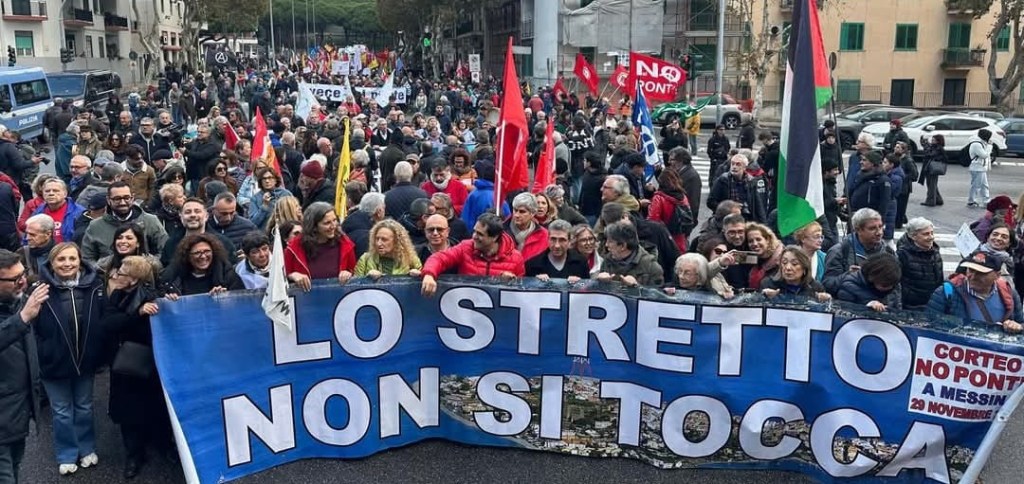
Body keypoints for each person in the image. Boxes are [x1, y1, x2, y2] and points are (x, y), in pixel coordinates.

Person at [31, 242, 105, 475]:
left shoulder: (95, 285)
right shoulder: (39, 289)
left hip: (85, 360)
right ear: (52, 263)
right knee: (61, 411)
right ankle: (66, 453)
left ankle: (87, 447)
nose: (67, 264)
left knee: (84, 407)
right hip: (53, 362)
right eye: (61, 260)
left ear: (80, 260)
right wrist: (43, 353)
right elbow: (31, 328)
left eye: (72, 259)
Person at [103, 256, 171, 479]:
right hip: (127, 363)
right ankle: (134, 454)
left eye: (121, 273)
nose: (116, 276)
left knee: (156, 408)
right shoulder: (117, 296)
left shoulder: (155, 297)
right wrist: (136, 314)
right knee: (128, 412)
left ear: (134, 279)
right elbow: (108, 324)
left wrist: (170, 302)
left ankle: (164, 446)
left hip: (151, 363)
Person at [0, 249, 42, 484]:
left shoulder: (17, 302)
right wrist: (22, 319)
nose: (23, 281)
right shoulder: (21, 312)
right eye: (15, 279)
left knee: (15, 470)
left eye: (23, 273)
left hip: (16, 414)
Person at [420, 213, 525, 296]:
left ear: (495, 237)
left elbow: (522, 290)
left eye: (480, 234)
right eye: (474, 231)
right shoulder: (466, 247)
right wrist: (429, 274)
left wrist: (511, 282)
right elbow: (440, 258)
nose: (474, 236)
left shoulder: (516, 258)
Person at [927, 250, 1023, 333]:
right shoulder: (946, 293)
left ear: (997, 275)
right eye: (970, 270)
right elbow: (930, 326)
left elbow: (1021, 323)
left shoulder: (1009, 292)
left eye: (981, 273)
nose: (972, 276)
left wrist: (1017, 327)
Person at [81, 182, 168, 263]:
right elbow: (87, 259)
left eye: (126, 198)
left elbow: (165, 252)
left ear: (132, 198)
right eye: (117, 199)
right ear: (108, 200)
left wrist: (145, 265)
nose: (122, 203)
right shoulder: (95, 226)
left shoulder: (150, 221)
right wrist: (105, 269)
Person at [284, 202, 357, 291]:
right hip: (305, 301)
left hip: (338, 300)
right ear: (314, 226)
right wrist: (292, 275)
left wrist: (348, 273)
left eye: (334, 220)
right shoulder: (294, 248)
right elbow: (281, 276)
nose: (333, 226)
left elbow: (355, 274)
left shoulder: (345, 244)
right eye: (327, 223)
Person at [823, 208, 894, 295]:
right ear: (858, 230)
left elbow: (896, 287)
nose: (879, 232)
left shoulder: (888, 252)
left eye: (880, 226)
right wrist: (848, 275)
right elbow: (828, 285)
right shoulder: (839, 251)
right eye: (872, 228)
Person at [161, 233, 244, 297]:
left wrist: (226, 298)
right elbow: (160, 297)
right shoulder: (173, 276)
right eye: (197, 253)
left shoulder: (226, 273)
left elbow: (240, 301)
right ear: (187, 256)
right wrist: (170, 299)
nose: (203, 256)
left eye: (207, 251)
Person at [596, 220, 664, 287]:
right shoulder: (607, 262)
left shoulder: (651, 267)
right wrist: (600, 283)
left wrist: (636, 286)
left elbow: (657, 295)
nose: (606, 245)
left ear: (622, 246)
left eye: (610, 241)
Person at [896, 217, 944, 310]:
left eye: (932, 233)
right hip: (911, 307)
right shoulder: (902, 255)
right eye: (926, 234)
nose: (931, 237)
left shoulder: (935, 252)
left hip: (932, 304)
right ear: (913, 236)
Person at [707, 154, 769, 224]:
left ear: (745, 167)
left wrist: (763, 225)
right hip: (726, 220)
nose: (734, 167)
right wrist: (730, 208)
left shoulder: (751, 181)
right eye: (732, 164)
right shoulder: (723, 180)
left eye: (738, 164)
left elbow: (758, 205)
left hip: (746, 219)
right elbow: (710, 202)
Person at [354, 219, 423, 279]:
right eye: (377, 239)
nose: (378, 243)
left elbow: (424, 285)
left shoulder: (411, 259)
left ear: (397, 241)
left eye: (384, 239)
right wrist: (366, 278)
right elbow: (354, 287)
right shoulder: (365, 259)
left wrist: (418, 276)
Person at [835, 252, 903, 312]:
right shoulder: (849, 285)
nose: (889, 287)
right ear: (872, 277)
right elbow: (844, 311)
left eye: (892, 285)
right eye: (884, 285)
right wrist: (867, 306)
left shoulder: (894, 287)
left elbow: (898, 310)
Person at [525, 219, 589, 282]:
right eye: (553, 239)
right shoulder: (532, 265)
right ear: (548, 239)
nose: (557, 245)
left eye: (562, 240)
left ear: (569, 241)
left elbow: (587, 289)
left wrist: (579, 284)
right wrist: (535, 282)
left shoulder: (581, 262)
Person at [760, 246, 831, 302]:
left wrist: (826, 301)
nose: (788, 268)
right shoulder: (768, 284)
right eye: (784, 263)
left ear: (804, 267)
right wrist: (764, 297)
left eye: (794, 264)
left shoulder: (815, 287)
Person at [648, 167, 693, 252]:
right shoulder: (682, 197)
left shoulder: (659, 198)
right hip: (681, 238)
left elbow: (653, 220)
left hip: (665, 239)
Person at [95, 224, 162, 281]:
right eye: (119, 238)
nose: (123, 241)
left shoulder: (152, 264)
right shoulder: (103, 265)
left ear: (138, 243)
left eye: (129, 238)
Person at [32, 178, 86, 244]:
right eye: (47, 191)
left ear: (65, 193)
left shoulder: (79, 212)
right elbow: (29, 236)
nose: (51, 193)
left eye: (55, 191)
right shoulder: (38, 213)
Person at [664, 253, 733, 298]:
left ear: (699, 275)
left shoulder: (710, 294)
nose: (681, 276)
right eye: (680, 271)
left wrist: (726, 300)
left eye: (687, 273)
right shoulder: (668, 289)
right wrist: (663, 294)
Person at [504, 192, 549, 262]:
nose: (516, 215)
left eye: (522, 212)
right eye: (515, 210)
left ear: (532, 213)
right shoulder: (501, 231)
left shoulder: (543, 235)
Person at [848, 151, 891, 217]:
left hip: (870, 218)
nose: (861, 162)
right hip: (855, 215)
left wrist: (880, 221)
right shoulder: (859, 175)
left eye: (864, 160)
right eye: (861, 160)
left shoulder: (882, 180)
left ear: (873, 163)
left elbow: (884, 204)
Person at [743, 223, 783, 290]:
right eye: (750, 241)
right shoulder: (752, 260)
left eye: (758, 239)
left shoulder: (782, 259)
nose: (755, 244)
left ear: (767, 240)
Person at [22, 214, 56, 280]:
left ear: (48, 234)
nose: (27, 238)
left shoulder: (61, 253)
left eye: (32, 235)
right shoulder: (22, 253)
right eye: (27, 234)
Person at [967, 128, 994, 208]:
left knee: (984, 185)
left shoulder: (980, 143)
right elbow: (984, 155)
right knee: (976, 185)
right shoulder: (976, 144)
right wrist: (989, 147)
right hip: (977, 167)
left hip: (980, 167)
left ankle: (986, 200)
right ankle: (971, 201)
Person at [919, 134, 946, 207]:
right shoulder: (934, 147)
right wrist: (924, 142)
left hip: (933, 168)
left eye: (933, 140)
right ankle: (938, 199)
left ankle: (931, 201)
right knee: (932, 184)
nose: (932, 141)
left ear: (938, 141)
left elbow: (930, 154)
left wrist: (926, 146)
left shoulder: (938, 148)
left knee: (931, 185)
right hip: (930, 167)